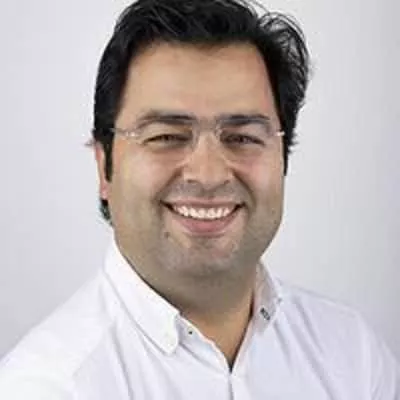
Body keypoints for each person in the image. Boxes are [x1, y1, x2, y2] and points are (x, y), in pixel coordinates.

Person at [0, 0, 399, 398]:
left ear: (283, 159)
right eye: (166, 137)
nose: (209, 175)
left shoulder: (355, 359)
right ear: (105, 166)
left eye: (242, 137)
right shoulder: (47, 386)